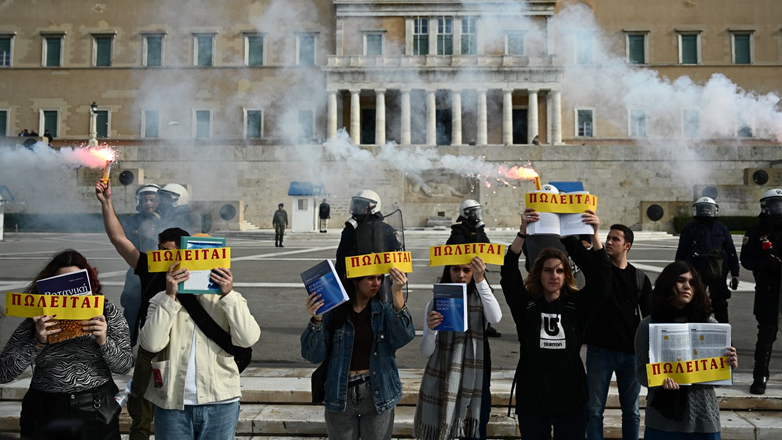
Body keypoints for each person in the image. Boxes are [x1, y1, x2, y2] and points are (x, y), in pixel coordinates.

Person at [0, 250, 133, 440]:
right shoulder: (37, 319)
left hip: (95, 408)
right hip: (46, 409)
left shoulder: (106, 312)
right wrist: (38, 342)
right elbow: (4, 373)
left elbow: (124, 365)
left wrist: (104, 341)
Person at [501, 208, 610, 439]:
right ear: (538, 273)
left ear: (566, 275)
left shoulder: (577, 306)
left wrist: (593, 236)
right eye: (548, 270)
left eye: (560, 271)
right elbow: (508, 272)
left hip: (571, 401)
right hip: (533, 400)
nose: (554, 275)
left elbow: (602, 280)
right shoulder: (526, 305)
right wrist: (522, 232)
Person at [96, 179, 188, 440]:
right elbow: (119, 239)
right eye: (160, 249)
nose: (161, 254)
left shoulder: (199, 275)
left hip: (184, 346)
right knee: (141, 410)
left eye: (168, 250)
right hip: (152, 347)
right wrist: (106, 203)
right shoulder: (149, 265)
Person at [139, 260, 261, 439]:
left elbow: (248, 338)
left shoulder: (229, 298)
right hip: (172, 402)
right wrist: (170, 296)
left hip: (220, 400)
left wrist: (228, 295)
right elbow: (150, 344)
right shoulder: (161, 299)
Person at [301, 267, 415, 440]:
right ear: (355, 280)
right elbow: (312, 355)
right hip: (340, 393)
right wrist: (316, 319)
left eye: (379, 278)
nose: (376, 283)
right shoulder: (333, 314)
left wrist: (397, 292)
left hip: (377, 391)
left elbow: (404, 336)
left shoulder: (383, 311)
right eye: (370, 278)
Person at [634, 261, 738, 439]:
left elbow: (718, 381)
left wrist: (729, 365)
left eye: (691, 282)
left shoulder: (709, 324)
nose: (686, 286)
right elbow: (641, 373)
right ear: (668, 284)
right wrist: (659, 381)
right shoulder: (648, 325)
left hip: (703, 418)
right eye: (680, 280)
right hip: (662, 420)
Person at [413, 257, 502, 440]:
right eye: (455, 269)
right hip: (443, 372)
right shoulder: (435, 303)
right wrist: (430, 331)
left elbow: (495, 318)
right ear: (448, 270)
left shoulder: (482, 297)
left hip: (475, 374)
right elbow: (426, 352)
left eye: (467, 270)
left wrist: (480, 279)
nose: (460, 275)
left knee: (472, 431)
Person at [585, 224, 652, 440]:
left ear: (627, 246)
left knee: (631, 412)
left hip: (630, 355)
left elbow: (651, 319)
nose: (609, 242)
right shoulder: (598, 270)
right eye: (608, 238)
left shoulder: (640, 278)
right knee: (594, 411)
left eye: (615, 239)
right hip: (599, 352)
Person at [741, 188, 782, 394]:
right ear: (765, 206)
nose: (778, 207)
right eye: (774, 204)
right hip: (768, 289)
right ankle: (760, 377)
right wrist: (765, 265)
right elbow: (746, 260)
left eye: (781, 203)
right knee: (766, 335)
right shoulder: (756, 232)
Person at [675, 197, 739, 323]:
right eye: (702, 209)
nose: (705, 211)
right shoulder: (690, 229)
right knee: (696, 304)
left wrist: (735, 273)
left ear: (714, 210)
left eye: (708, 209)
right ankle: (697, 333)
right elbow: (682, 251)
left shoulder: (722, 229)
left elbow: (731, 252)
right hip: (696, 273)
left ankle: (724, 336)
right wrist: (677, 273)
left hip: (718, 272)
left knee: (720, 304)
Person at [447, 199, 500, 338]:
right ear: (466, 214)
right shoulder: (458, 231)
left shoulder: (478, 230)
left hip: (477, 270)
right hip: (464, 271)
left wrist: (480, 231)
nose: (477, 214)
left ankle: (485, 324)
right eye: (473, 212)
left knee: (485, 293)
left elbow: (485, 245)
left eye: (478, 211)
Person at [335, 190, 402, 300]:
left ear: (373, 207)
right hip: (354, 288)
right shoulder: (350, 231)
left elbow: (396, 262)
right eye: (355, 205)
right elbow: (341, 259)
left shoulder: (386, 230)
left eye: (360, 206)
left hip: (380, 288)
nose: (357, 209)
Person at [121, 183, 161, 345]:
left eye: (152, 200)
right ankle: (126, 348)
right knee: (130, 312)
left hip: (157, 273)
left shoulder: (165, 219)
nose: (148, 204)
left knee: (151, 314)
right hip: (136, 270)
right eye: (145, 200)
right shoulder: (133, 220)